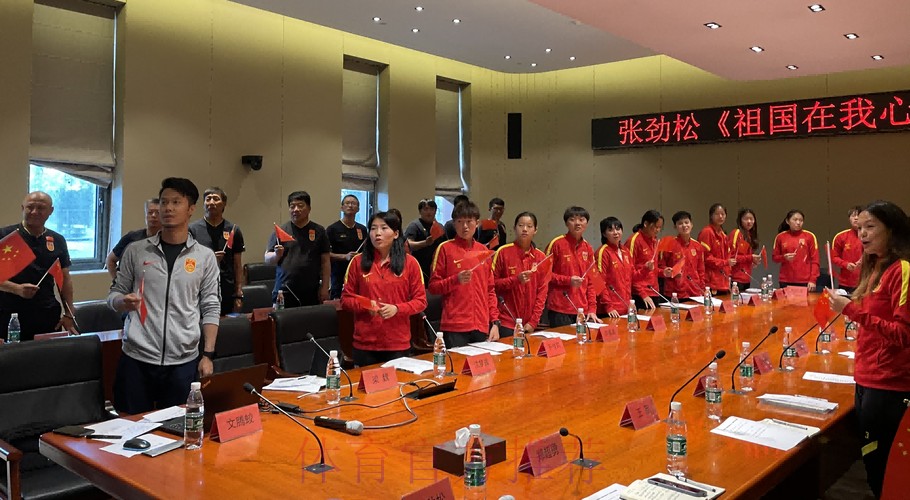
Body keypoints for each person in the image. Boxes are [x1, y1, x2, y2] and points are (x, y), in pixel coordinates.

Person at [108, 178, 220, 414]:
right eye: (164, 202)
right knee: (132, 426)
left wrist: (208, 355)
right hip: (137, 357)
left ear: (191, 208)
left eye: (176, 202)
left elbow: (211, 306)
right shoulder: (136, 251)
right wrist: (121, 302)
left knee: (177, 427)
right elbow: (114, 295)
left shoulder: (204, 257)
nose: (168, 208)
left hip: (183, 360)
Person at [827, 200, 910, 498]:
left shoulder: (902, 270)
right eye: (859, 227)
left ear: (892, 229)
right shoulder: (874, 266)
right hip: (866, 376)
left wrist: (852, 311)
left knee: (885, 467)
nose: (861, 233)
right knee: (871, 459)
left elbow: (904, 334)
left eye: (870, 227)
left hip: (889, 382)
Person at [341, 212, 427, 367]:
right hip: (365, 344)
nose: (377, 233)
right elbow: (345, 300)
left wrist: (397, 309)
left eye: (383, 228)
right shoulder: (357, 262)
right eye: (373, 228)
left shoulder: (410, 263)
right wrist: (366, 305)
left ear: (396, 234)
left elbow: (421, 301)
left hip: (397, 343)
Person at [0, 192, 77, 340]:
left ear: (51, 211)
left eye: (41, 208)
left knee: (46, 354)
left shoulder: (58, 240)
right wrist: (16, 289)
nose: (35, 212)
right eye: (30, 207)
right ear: (22, 208)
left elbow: (65, 279)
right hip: (9, 315)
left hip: (46, 313)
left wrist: (69, 313)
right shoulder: (5, 236)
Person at [429, 200, 500, 347]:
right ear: (454, 224)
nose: (465, 226)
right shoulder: (445, 249)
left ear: (477, 223)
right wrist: (455, 280)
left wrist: (494, 322)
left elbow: (490, 290)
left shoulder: (484, 251)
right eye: (460, 222)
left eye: (469, 221)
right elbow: (433, 287)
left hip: (480, 324)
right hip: (455, 325)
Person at [265, 191, 330, 307]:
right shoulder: (281, 231)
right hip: (284, 290)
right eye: (292, 206)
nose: (295, 209)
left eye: (300, 206)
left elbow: (325, 261)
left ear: (309, 208)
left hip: (311, 290)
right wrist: (276, 255)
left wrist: (325, 287)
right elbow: (267, 259)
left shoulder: (319, 231)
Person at [189, 187, 245, 315]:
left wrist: (238, 293)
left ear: (224, 204)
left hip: (226, 288)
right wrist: (210, 260)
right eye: (208, 199)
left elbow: (237, 265)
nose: (211, 202)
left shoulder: (233, 230)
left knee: (226, 324)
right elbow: (188, 262)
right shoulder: (192, 230)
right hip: (200, 288)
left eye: (216, 199)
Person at [492, 211, 549, 336]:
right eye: (521, 225)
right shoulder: (503, 252)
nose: (524, 229)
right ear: (514, 228)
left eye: (529, 226)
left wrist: (533, 322)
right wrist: (515, 280)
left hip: (529, 324)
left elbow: (542, 293)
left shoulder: (541, 257)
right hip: (506, 321)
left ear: (535, 230)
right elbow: (492, 285)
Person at [545, 206, 600, 327]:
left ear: (587, 223)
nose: (577, 223)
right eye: (572, 219)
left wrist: (592, 308)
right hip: (560, 308)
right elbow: (544, 275)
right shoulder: (556, 244)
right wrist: (568, 280)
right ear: (566, 223)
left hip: (582, 309)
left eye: (581, 219)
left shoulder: (588, 248)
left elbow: (593, 282)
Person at [106, 199, 161, 279]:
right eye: (150, 212)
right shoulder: (131, 238)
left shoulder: (168, 240)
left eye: (158, 213)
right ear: (145, 215)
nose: (153, 216)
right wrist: (117, 282)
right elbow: (110, 260)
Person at [327, 194, 368, 299]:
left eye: (353, 203)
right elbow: (326, 254)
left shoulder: (362, 229)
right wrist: (345, 257)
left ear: (358, 209)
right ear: (342, 207)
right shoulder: (332, 229)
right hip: (338, 275)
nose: (350, 205)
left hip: (358, 273)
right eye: (347, 203)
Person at [660, 211, 706, 298]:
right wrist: (667, 271)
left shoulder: (698, 246)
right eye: (680, 223)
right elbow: (661, 266)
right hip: (675, 293)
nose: (684, 225)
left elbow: (701, 270)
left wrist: (702, 289)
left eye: (686, 222)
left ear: (691, 224)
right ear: (675, 226)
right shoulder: (668, 244)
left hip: (694, 292)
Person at [772, 209, 819, 290]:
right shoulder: (780, 237)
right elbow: (774, 258)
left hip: (805, 281)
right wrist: (784, 257)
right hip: (785, 280)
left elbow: (815, 260)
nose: (798, 222)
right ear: (787, 221)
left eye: (801, 220)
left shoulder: (809, 236)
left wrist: (813, 280)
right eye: (795, 220)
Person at [626, 210, 664, 310]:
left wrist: (664, 272)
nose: (657, 230)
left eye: (660, 227)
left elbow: (653, 270)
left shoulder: (655, 241)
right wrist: (642, 293)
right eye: (655, 226)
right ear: (646, 224)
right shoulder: (634, 240)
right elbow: (629, 272)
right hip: (639, 294)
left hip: (654, 291)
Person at [596, 217, 633, 318]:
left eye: (618, 229)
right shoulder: (603, 252)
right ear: (604, 234)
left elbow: (632, 276)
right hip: (609, 310)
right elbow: (598, 282)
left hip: (625, 306)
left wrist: (646, 269)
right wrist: (608, 306)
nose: (615, 232)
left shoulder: (626, 251)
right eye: (610, 230)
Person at [404, 198, 442, 282]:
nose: (429, 212)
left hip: (436, 267)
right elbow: (409, 244)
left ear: (435, 211)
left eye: (432, 209)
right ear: (420, 211)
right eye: (425, 209)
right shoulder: (414, 225)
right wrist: (425, 243)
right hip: (419, 267)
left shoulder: (440, 227)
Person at [697, 203, 731, 295]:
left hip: (723, 282)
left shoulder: (723, 235)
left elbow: (728, 258)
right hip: (711, 282)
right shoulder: (707, 232)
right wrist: (725, 262)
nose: (720, 216)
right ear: (711, 216)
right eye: (717, 214)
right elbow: (705, 258)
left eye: (723, 214)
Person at [831, 205, 864, 293]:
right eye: (853, 216)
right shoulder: (841, 236)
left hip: (865, 281)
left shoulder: (870, 236)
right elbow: (834, 257)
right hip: (845, 282)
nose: (856, 218)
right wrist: (845, 264)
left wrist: (865, 260)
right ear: (849, 218)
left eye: (859, 215)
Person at [729, 208, 761, 290]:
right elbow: (731, 257)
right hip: (735, 278)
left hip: (747, 278)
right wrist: (750, 257)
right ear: (740, 220)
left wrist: (753, 261)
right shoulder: (736, 233)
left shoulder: (749, 236)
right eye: (746, 219)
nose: (749, 222)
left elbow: (746, 257)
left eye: (751, 219)